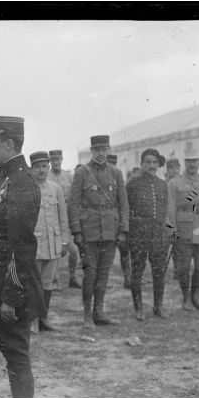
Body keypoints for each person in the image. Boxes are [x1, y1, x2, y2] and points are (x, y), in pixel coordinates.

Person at [0, 116, 46, 398]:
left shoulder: (22, 183)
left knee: (16, 355)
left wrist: (12, 296)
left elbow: (22, 244)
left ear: (10, 144)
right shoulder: (8, 179)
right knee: (11, 353)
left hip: (12, 285)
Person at [68, 135, 129, 329]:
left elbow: (123, 204)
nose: (101, 153)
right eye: (97, 149)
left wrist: (123, 230)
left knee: (103, 274)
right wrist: (77, 231)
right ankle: (87, 315)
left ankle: (99, 312)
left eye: (104, 149)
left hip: (110, 232)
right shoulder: (82, 173)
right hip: (88, 233)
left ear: (109, 149)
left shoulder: (116, 172)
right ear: (92, 151)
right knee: (90, 274)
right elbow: (74, 204)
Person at [167, 149, 199, 311]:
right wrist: (171, 231)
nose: (192, 164)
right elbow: (170, 209)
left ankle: (195, 296)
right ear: (184, 163)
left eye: (195, 161)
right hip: (183, 228)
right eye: (189, 161)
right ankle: (186, 298)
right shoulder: (174, 183)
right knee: (183, 267)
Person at [126, 149, 170, 320]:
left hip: (158, 235)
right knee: (137, 272)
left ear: (158, 164)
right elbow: (126, 209)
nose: (151, 166)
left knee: (159, 272)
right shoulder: (133, 183)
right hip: (138, 234)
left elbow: (164, 210)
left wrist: (168, 233)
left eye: (154, 162)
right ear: (141, 164)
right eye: (148, 162)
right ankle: (138, 308)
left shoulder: (162, 184)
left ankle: (158, 307)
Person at [30, 151, 70, 332]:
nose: (42, 170)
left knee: (47, 284)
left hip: (53, 243)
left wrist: (64, 241)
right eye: (37, 167)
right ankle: (32, 320)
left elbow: (63, 217)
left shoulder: (56, 188)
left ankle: (44, 318)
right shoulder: (28, 189)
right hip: (35, 245)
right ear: (31, 168)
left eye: (44, 166)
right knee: (33, 284)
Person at [48, 149, 80, 289]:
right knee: (54, 250)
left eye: (58, 159)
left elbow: (74, 197)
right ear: (50, 161)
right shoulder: (46, 176)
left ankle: (72, 278)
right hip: (51, 217)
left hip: (65, 218)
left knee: (73, 251)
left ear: (61, 159)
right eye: (53, 160)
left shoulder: (68, 176)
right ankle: (54, 280)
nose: (56, 162)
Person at [106, 154, 131, 289]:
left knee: (124, 252)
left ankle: (128, 278)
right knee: (107, 254)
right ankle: (106, 279)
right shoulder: (100, 180)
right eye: (110, 163)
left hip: (119, 222)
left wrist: (124, 224)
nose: (112, 166)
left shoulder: (120, 178)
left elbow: (124, 203)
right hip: (107, 223)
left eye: (114, 163)